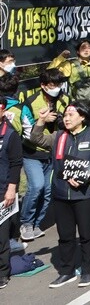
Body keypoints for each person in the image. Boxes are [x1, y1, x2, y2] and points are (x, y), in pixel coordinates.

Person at [31, 101, 90, 288]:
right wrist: (41, 121)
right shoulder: (58, 136)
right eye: (65, 115)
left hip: (85, 195)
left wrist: (85, 178)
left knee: (86, 234)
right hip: (60, 195)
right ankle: (66, 271)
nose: (66, 118)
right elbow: (36, 139)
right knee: (65, 235)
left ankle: (87, 270)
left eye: (71, 114)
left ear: (82, 117)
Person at [18, 69, 70, 242]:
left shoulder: (65, 99)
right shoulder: (31, 103)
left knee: (48, 191)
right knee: (36, 186)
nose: (56, 88)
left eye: (59, 84)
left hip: (54, 153)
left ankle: (36, 223)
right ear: (43, 85)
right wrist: (42, 121)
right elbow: (28, 134)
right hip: (32, 153)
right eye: (52, 85)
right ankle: (25, 222)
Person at [0, 71, 23, 290]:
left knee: (1, 236)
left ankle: (2, 273)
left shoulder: (9, 134)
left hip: (3, 191)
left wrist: (11, 189)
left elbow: (16, 163)